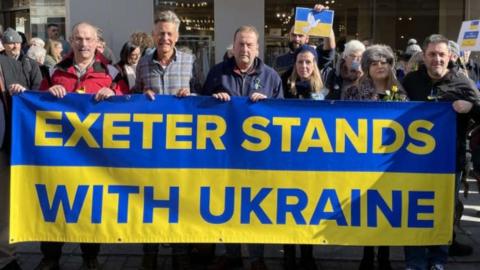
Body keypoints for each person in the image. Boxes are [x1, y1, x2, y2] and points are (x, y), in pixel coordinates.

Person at [36, 21, 128, 270]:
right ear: (71, 41)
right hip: (60, 154)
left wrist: (115, 95)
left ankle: (90, 256)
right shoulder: (54, 70)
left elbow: (129, 103)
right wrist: (48, 93)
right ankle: (51, 256)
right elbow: (39, 104)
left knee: (89, 204)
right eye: (78, 39)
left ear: (97, 42)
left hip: (94, 155)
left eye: (88, 39)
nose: (83, 44)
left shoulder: (111, 72)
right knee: (56, 203)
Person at [202, 25, 283, 270]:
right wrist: (213, 101)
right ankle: (232, 254)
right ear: (233, 46)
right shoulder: (218, 73)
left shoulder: (271, 76)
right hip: (225, 155)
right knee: (228, 205)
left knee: (254, 207)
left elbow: (282, 116)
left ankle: (257, 258)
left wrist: (267, 106)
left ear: (257, 48)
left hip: (257, 158)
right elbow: (201, 107)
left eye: (249, 44)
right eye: (240, 44)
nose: (245, 49)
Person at [402, 34, 480, 270]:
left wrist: (472, 106)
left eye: (441, 54)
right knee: (413, 211)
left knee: (442, 214)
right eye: (432, 54)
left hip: (449, 163)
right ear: (423, 57)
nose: (437, 59)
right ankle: (414, 262)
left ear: (451, 57)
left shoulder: (463, 83)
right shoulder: (411, 81)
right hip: (412, 162)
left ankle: (437, 261)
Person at [135, 10, 202, 270]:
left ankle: (180, 253)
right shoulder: (142, 63)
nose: (165, 38)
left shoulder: (190, 61)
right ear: (153, 35)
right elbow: (131, 97)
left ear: (177, 36)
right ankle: (149, 253)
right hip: (151, 149)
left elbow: (204, 95)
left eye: (169, 34)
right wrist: (143, 94)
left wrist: (192, 93)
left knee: (178, 201)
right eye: (160, 33)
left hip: (181, 149)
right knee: (149, 201)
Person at [280, 44, 326, 270]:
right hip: (287, 158)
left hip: (312, 159)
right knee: (288, 208)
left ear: (315, 64)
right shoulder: (283, 85)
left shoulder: (323, 88)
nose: (305, 66)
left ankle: (308, 255)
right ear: (294, 64)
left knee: (309, 209)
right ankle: (288, 254)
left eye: (309, 62)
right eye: (300, 62)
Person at [0, 51, 32, 270]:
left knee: (4, 208)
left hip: (5, 145)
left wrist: (22, 93)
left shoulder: (11, 65)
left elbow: (32, 99)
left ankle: (6, 257)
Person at [273, 4, 335, 76]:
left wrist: (324, 17)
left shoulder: (315, 56)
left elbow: (329, 49)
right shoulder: (279, 60)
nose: (296, 39)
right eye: (293, 35)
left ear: (307, 38)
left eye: (300, 35)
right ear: (289, 36)